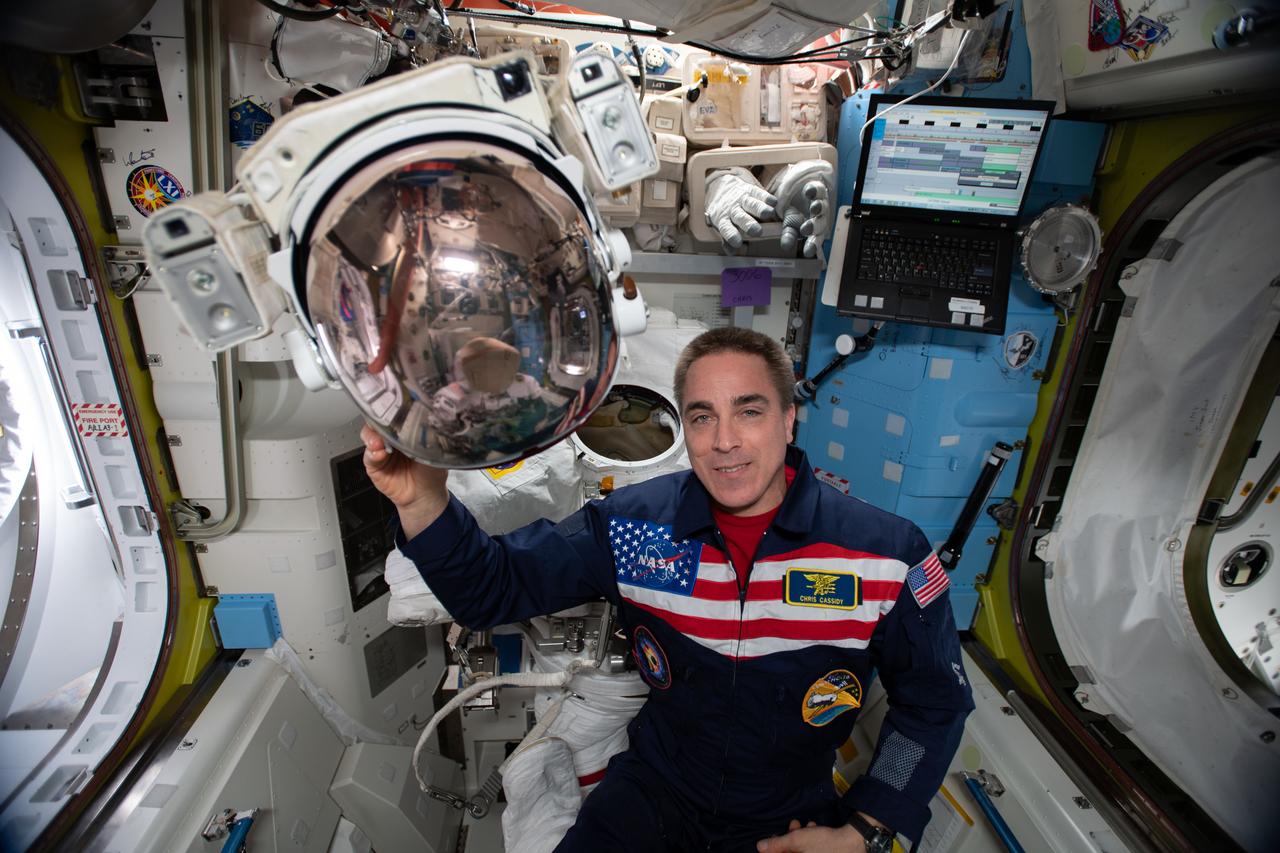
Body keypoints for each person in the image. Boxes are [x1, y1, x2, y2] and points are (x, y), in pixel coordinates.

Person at [363, 326, 974, 852]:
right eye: (702, 417)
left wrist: (868, 826)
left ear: (789, 418)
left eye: (749, 411)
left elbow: (934, 703)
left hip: (786, 816)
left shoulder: (885, 556)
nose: (724, 441)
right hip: (654, 796)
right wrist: (423, 503)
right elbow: (492, 589)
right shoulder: (636, 528)